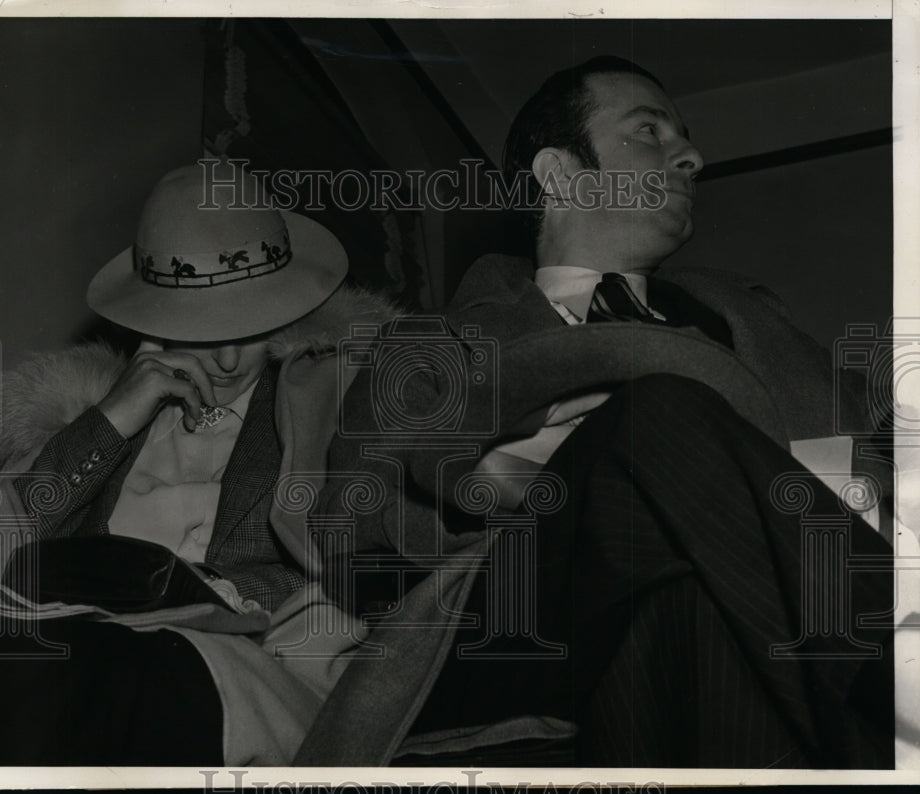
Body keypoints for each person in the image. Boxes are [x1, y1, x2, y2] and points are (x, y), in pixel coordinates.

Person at [293, 57, 895, 767]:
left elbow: (883, 459)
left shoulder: (757, 326)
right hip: (507, 626)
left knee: (683, 610)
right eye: (648, 131)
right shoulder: (434, 348)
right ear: (559, 173)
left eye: (685, 137)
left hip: (721, 617)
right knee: (658, 413)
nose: (692, 157)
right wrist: (514, 487)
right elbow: (354, 549)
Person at [0, 162, 397, 765]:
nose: (232, 359)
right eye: (204, 329)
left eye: (254, 322)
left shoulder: (334, 410)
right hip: (76, 657)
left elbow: (368, 571)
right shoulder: (85, 423)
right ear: (154, 319)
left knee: (88, 670)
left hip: (236, 677)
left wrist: (227, 596)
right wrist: (107, 424)